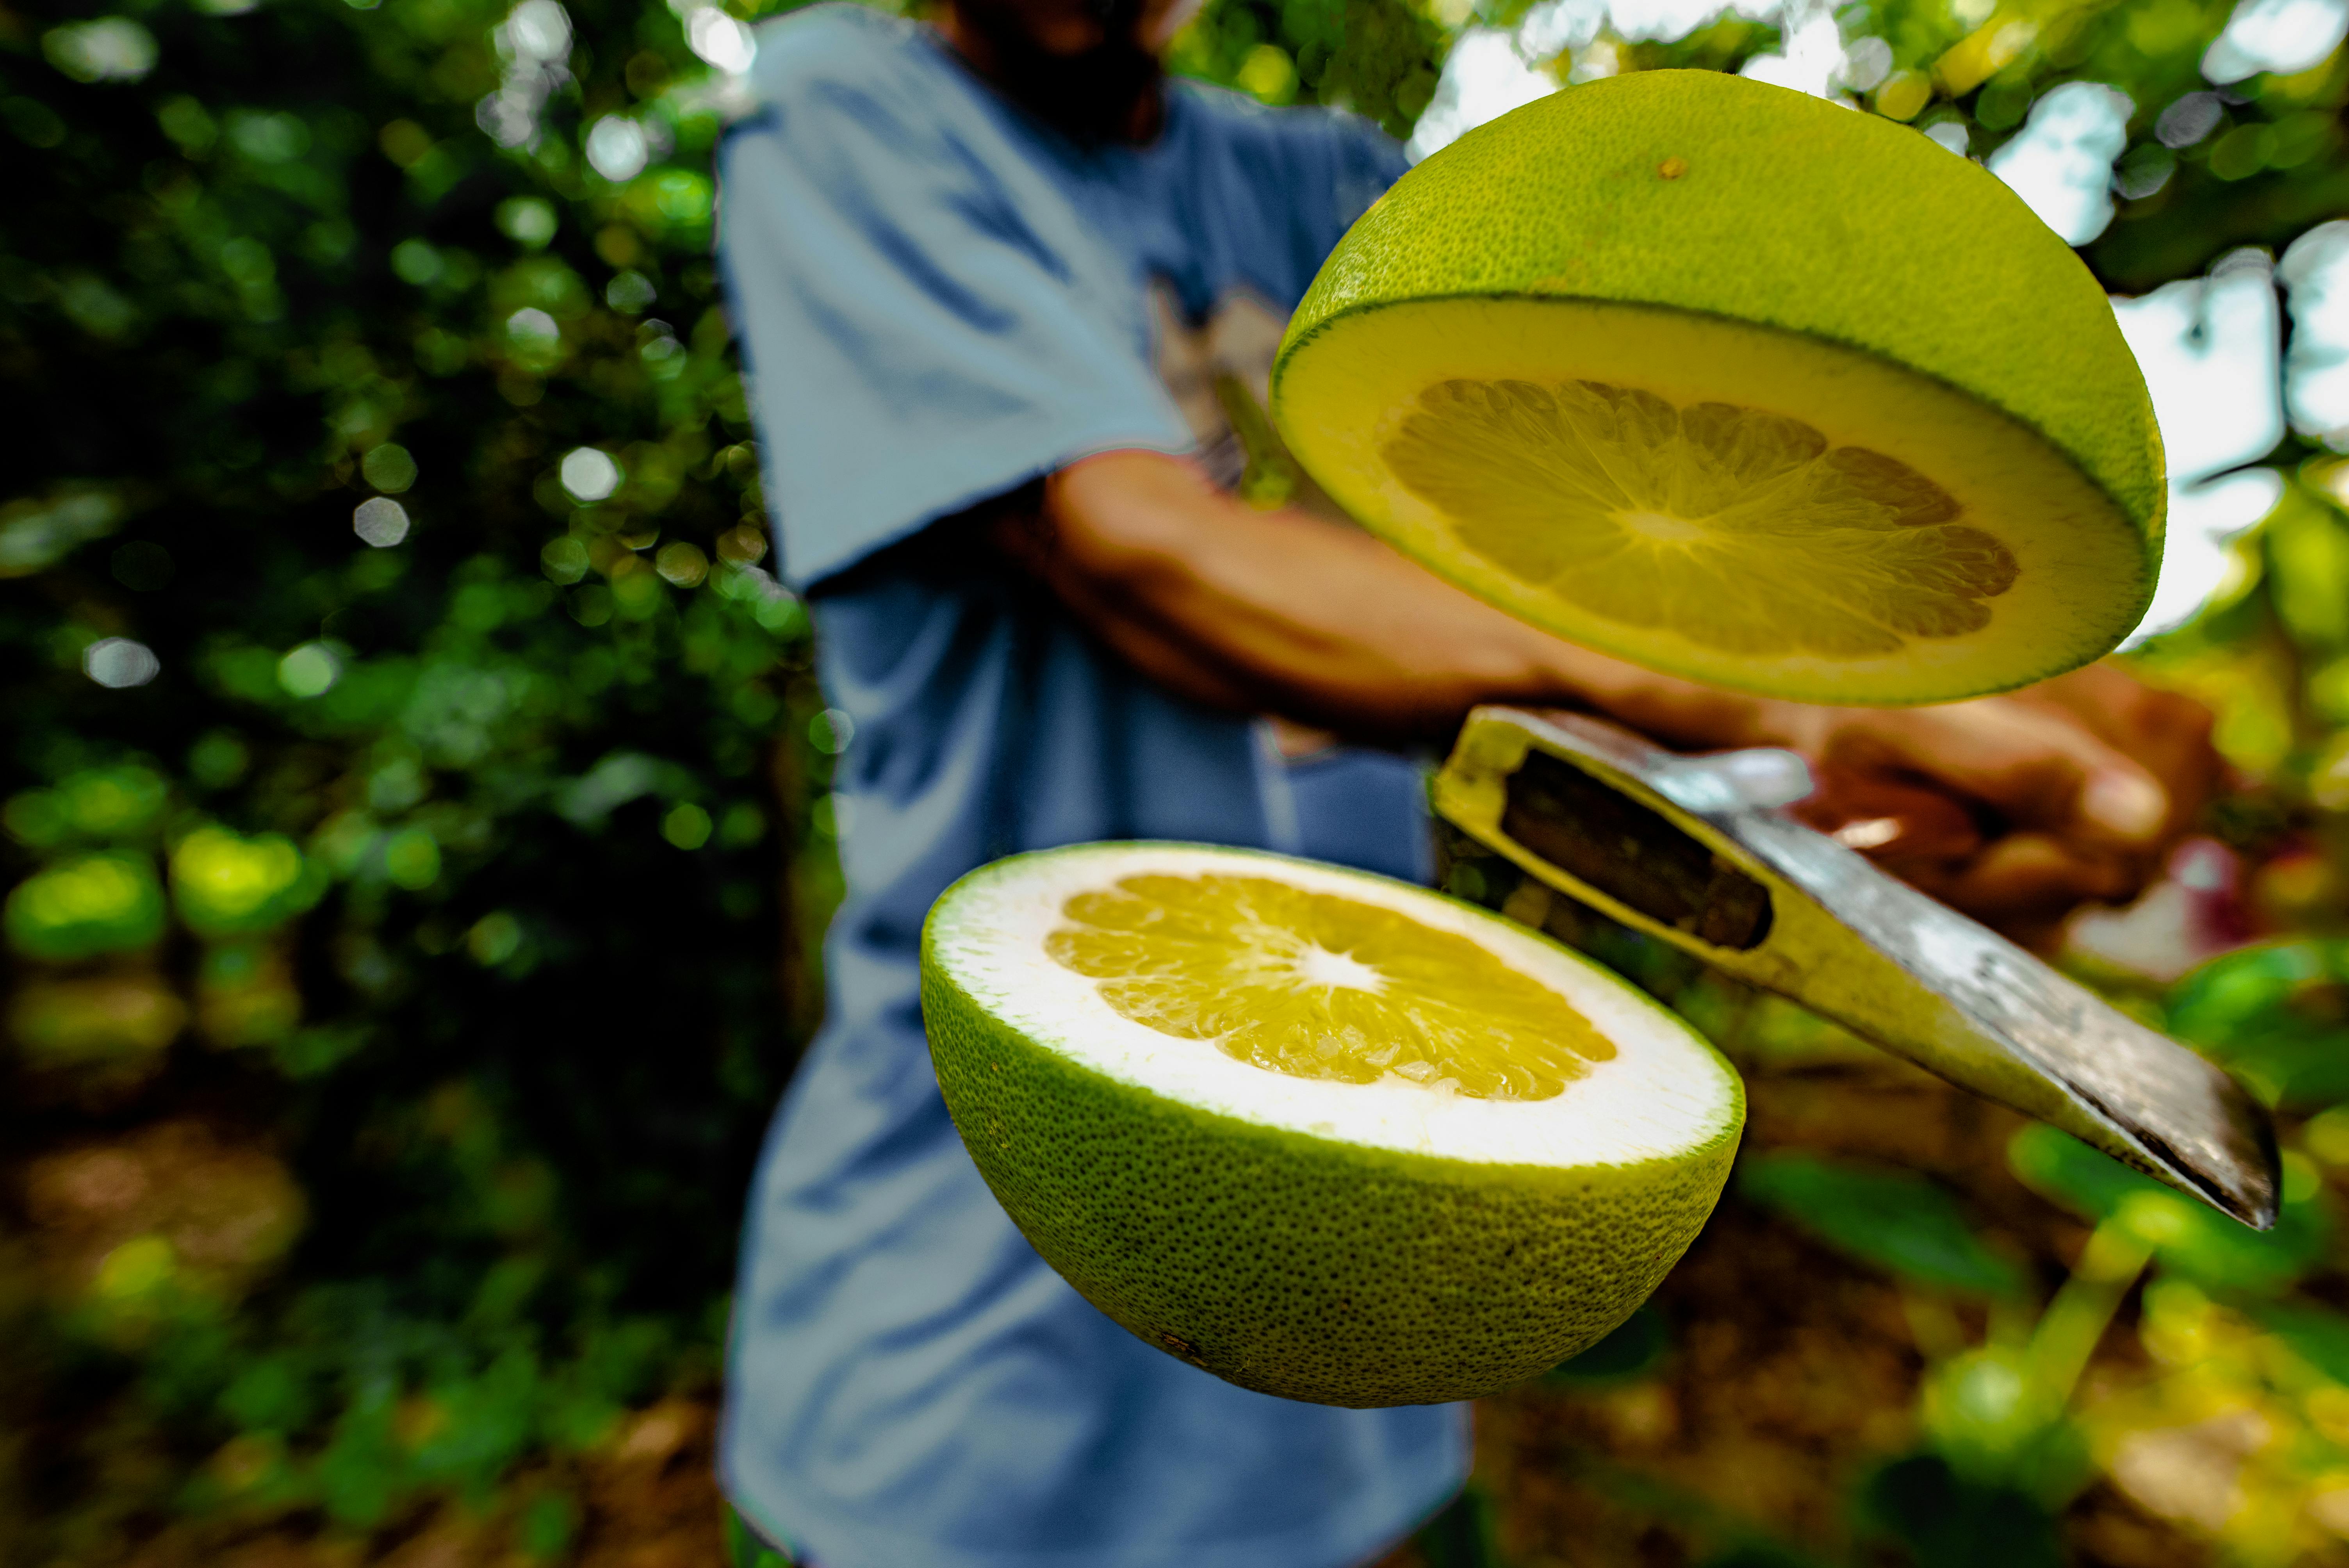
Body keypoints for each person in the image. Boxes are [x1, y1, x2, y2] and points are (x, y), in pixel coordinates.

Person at [710, 2, 2219, 1564]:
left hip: (1368, 1320)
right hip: (972, 1335)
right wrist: (1784, 704)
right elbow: (1147, 552)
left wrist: (2049, 688)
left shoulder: (1316, 183)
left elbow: (1650, 476)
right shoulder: (851, 112)